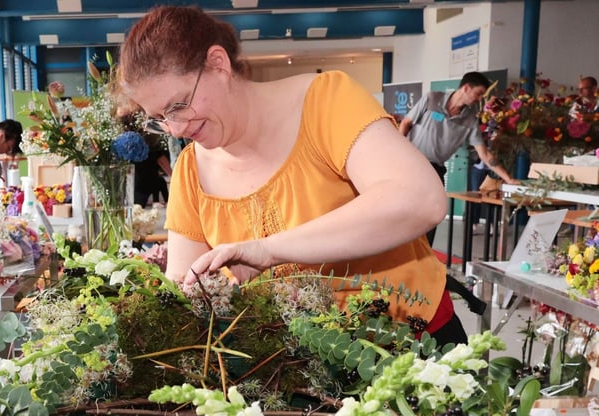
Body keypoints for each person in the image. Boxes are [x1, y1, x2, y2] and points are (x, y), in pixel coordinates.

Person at [118, 6, 466, 346]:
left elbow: (419, 199)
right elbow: (185, 289)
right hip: (303, 371)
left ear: (218, 64)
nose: (176, 128)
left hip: (413, 345)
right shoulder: (190, 172)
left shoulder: (325, 102)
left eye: (179, 105)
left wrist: (268, 250)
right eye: (160, 118)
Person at [399, 71, 515, 246]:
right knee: (405, 210)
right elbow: (406, 123)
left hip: (435, 169)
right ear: (466, 88)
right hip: (412, 163)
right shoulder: (431, 99)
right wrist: (400, 154)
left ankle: (424, 255)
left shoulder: (469, 120)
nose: (479, 99)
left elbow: (484, 154)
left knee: (434, 212)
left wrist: (509, 179)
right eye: (478, 94)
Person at [134, 133, 172, 207]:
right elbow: (169, 170)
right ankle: (164, 201)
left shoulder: (137, 151)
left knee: (138, 207)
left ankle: (157, 201)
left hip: (139, 185)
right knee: (161, 181)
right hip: (151, 182)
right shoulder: (157, 152)